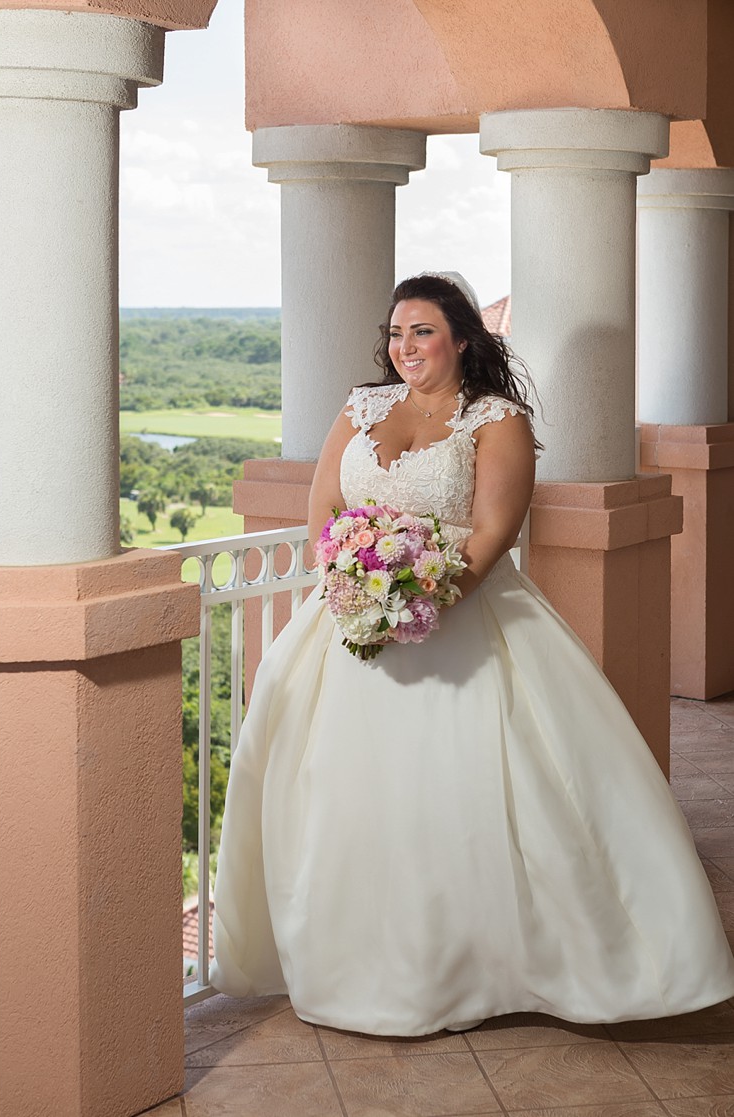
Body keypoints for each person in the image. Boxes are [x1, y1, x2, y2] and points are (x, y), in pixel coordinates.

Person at [209, 271, 734, 1036]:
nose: (405, 346)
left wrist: (415, 602)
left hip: (459, 610)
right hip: (348, 614)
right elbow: (324, 506)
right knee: (342, 792)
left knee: (481, 796)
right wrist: (353, 583)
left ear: (460, 337)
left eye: (422, 331)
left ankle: (498, 968)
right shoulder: (362, 407)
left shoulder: (496, 418)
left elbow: (493, 533)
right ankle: (355, 961)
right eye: (396, 332)